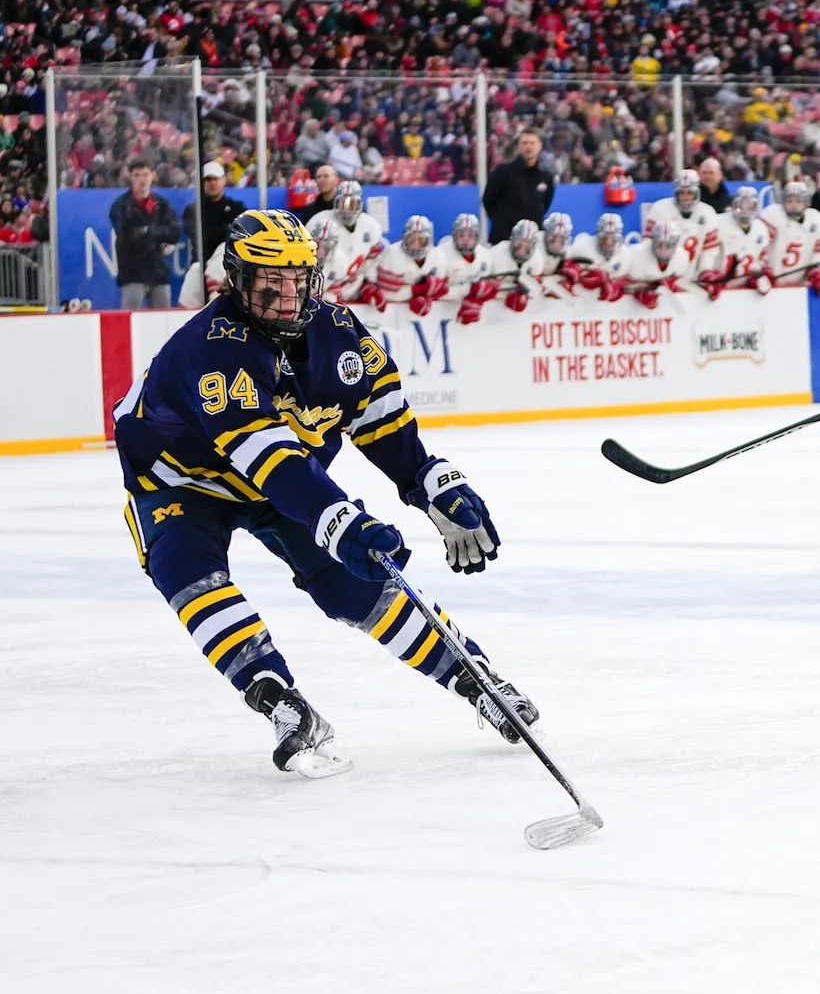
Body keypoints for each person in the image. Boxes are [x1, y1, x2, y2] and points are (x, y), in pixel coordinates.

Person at [113, 209, 534, 777]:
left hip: (276, 477)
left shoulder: (338, 331)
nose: (287, 299)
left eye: (297, 280)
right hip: (180, 480)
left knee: (353, 585)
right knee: (188, 574)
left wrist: (429, 483)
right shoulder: (209, 351)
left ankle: (475, 677)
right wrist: (340, 520)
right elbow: (274, 464)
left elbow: (382, 423)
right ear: (236, 281)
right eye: (270, 284)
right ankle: (278, 700)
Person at [111, 159, 181, 310]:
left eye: (145, 174)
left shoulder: (161, 204)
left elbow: (175, 232)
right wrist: (158, 235)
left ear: (152, 176)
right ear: (130, 177)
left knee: (163, 322)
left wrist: (148, 232)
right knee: (129, 319)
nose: (142, 180)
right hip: (132, 273)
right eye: (137, 175)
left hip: (158, 272)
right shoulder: (121, 205)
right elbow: (127, 235)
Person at [482, 128, 555, 252]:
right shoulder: (502, 172)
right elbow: (488, 200)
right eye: (525, 143)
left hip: (532, 242)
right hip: (504, 241)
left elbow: (545, 203)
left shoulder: (545, 176)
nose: (529, 147)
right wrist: (502, 222)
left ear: (539, 146)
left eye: (532, 143)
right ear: (519, 146)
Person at [313, 180, 386, 302]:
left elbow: (373, 259)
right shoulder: (319, 222)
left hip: (355, 288)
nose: (346, 209)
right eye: (342, 203)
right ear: (335, 202)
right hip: (325, 290)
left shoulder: (371, 226)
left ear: (360, 204)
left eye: (352, 204)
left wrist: (369, 284)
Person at [362, 215, 444, 314]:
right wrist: (416, 291)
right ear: (403, 238)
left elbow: (442, 290)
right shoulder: (392, 255)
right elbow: (387, 295)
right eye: (411, 239)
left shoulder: (438, 257)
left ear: (430, 240)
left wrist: (426, 296)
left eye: (422, 240)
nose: (415, 245)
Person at [644, 169, 720, 274]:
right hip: (663, 273)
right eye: (681, 193)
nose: (685, 197)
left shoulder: (707, 212)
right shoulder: (660, 208)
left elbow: (710, 249)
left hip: (694, 277)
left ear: (697, 193)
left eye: (690, 193)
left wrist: (704, 271)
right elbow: (648, 244)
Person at [760, 180, 820, 285]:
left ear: (806, 202)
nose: (793, 205)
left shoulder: (815, 218)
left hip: (801, 281)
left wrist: (813, 271)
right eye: (789, 200)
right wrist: (764, 269)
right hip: (773, 280)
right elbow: (759, 246)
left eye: (798, 201)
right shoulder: (772, 215)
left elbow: (819, 250)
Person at [185, 160, 246, 270]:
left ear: (223, 180)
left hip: (228, 268)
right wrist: (226, 229)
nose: (212, 183)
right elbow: (198, 236)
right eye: (208, 179)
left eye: (215, 179)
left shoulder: (237, 208)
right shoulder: (193, 210)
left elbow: (242, 235)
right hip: (200, 267)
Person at [715, 187, 770, 296]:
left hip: (746, 291)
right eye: (741, 204)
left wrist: (758, 277)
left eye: (750, 205)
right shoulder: (719, 222)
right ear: (733, 205)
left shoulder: (761, 227)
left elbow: (762, 259)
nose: (745, 209)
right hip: (719, 286)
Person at [487, 219, 544, 312]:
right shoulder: (496, 254)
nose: (522, 250)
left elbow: (536, 289)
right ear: (511, 239)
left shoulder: (537, 259)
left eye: (528, 246)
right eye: (518, 243)